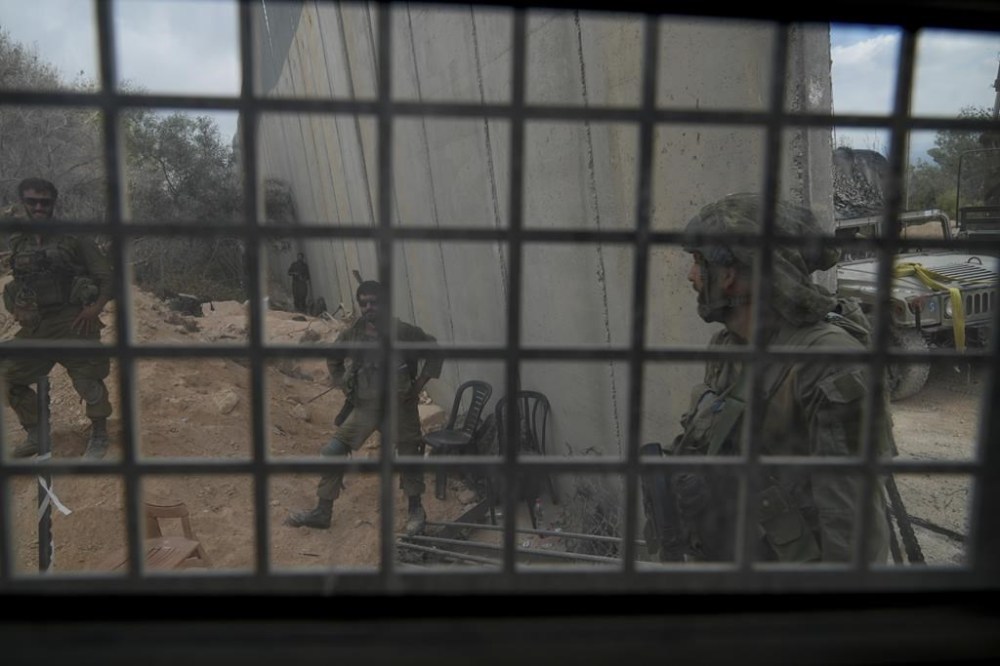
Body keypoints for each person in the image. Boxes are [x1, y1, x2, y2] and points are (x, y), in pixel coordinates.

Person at [645, 192, 890, 564]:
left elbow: (853, 530)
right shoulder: (729, 346)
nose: (691, 276)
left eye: (698, 262)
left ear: (729, 274)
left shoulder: (829, 363)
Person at [286, 280, 442, 536]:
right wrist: (345, 386)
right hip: (366, 408)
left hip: (399, 408)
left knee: (409, 456)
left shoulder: (403, 331)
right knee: (333, 451)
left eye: (374, 303)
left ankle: (416, 510)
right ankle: (322, 512)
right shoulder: (353, 334)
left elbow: (434, 350)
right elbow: (334, 358)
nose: (369, 308)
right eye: (364, 303)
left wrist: (418, 386)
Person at [1, 177, 115, 459]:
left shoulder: (73, 237)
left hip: (74, 321)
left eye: (45, 202)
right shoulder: (19, 241)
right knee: (7, 374)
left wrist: (94, 309)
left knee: (87, 379)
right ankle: (36, 434)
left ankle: (99, 434)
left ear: (53, 203)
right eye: (32, 202)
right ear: (23, 203)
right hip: (37, 325)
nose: (39, 207)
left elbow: (106, 277)